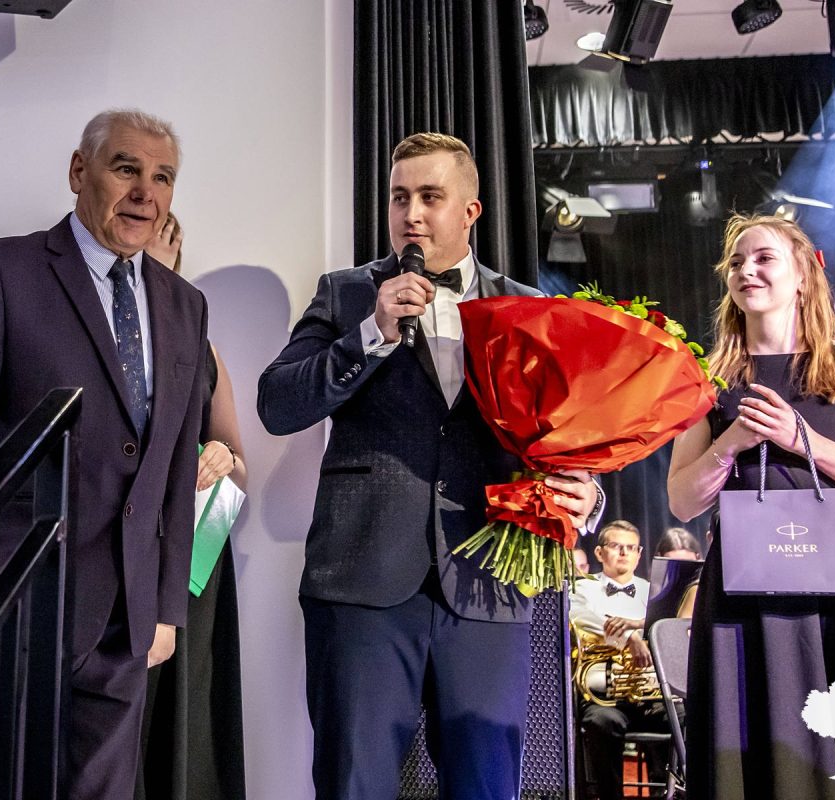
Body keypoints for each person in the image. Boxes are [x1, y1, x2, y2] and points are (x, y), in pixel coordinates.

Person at [257, 132, 602, 799]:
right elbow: (278, 403)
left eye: (430, 197)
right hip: (362, 582)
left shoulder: (528, 308)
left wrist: (588, 495)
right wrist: (371, 335)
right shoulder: (347, 293)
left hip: (487, 585)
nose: (411, 214)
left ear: (470, 210)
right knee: (354, 785)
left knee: (486, 786)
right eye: (399, 198)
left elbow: (569, 438)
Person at [0, 109, 210, 800]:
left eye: (163, 178)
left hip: (126, 624)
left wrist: (166, 605)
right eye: (126, 168)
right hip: (11, 611)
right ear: (79, 171)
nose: (146, 192)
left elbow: (174, 464)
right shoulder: (0, 271)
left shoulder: (186, 305)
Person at [667, 213, 835, 798]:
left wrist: (803, 440)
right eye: (736, 262)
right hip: (742, 598)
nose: (747, 270)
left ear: (803, 277)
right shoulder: (705, 379)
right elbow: (683, 501)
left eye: (764, 258)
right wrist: (729, 444)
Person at [135, 214, 248, 800]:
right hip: (117, 552)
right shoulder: (94, 341)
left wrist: (224, 458)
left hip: (192, 562)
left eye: (166, 249)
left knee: (186, 722)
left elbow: (239, 463)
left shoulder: (204, 352)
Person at [570, 520, 667, 800]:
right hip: (605, 698)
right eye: (616, 546)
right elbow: (578, 617)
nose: (624, 553)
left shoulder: (654, 592)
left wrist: (639, 627)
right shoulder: (583, 588)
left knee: (687, 717)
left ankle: (669, 791)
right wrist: (628, 637)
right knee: (601, 722)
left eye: (630, 547)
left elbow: (669, 625)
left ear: (639, 554)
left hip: (651, 696)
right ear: (599, 553)